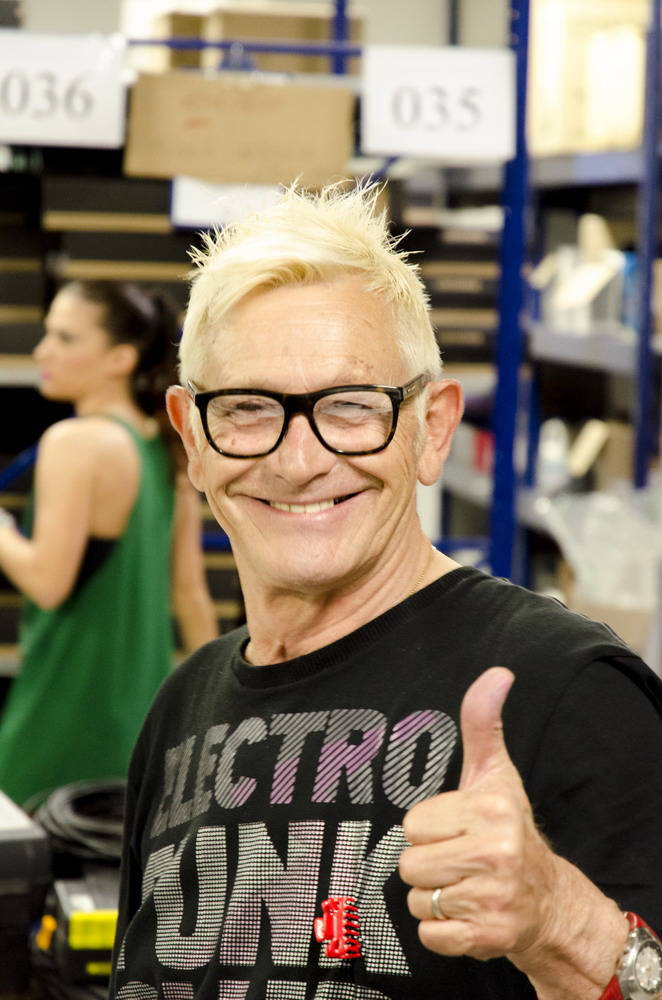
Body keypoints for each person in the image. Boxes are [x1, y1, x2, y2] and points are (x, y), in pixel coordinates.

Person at [109, 184, 662, 1000]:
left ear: (432, 429)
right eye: (248, 408)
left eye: (350, 407)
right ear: (193, 436)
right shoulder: (181, 706)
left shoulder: (565, 689)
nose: (300, 461)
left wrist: (561, 921)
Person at [0, 280, 218, 807]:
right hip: (141, 724)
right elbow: (190, 594)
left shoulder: (75, 442)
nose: (42, 352)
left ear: (120, 358)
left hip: (62, 715)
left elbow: (47, 583)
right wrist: (217, 710)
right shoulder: (162, 446)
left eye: (65, 338)